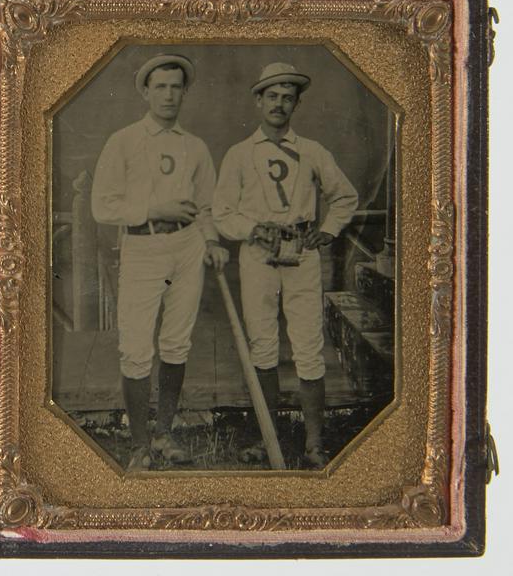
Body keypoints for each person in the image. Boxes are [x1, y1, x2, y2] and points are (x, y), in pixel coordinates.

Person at [213, 62, 358, 468]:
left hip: (301, 255)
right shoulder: (240, 154)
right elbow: (222, 212)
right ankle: (268, 438)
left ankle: (314, 442)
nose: (279, 104)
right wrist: (252, 229)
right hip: (258, 256)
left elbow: (345, 196)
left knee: (308, 345)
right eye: (272, 96)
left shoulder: (312, 151)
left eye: (287, 97)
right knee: (262, 345)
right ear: (259, 101)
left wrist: (327, 231)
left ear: (296, 104)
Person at [91, 54, 228, 471]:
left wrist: (212, 240)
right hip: (143, 248)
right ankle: (138, 445)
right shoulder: (125, 141)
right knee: (135, 349)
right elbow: (102, 206)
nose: (169, 95)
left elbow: (206, 205)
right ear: (146, 92)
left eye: (176, 87)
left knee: (175, 343)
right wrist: (155, 207)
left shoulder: (195, 146)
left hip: (186, 249)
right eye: (161, 87)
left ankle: (164, 434)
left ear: (185, 93)